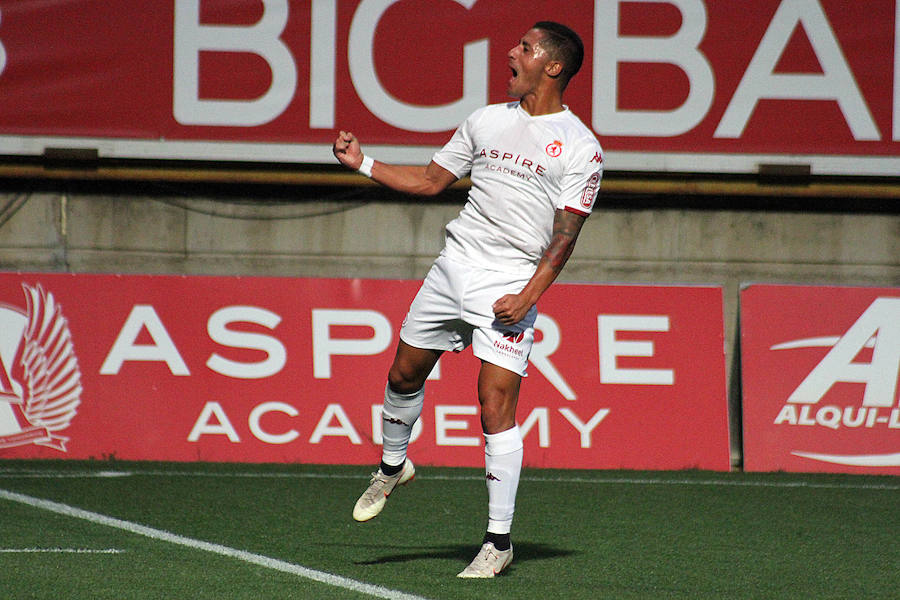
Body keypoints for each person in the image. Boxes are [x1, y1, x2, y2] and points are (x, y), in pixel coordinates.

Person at [332, 21, 602, 578]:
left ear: (553, 67)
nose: (512, 52)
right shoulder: (484, 120)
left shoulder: (580, 146)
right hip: (453, 267)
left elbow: (565, 235)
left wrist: (526, 296)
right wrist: (363, 162)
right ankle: (392, 466)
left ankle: (498, 543)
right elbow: (431, 181)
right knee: (403, 375)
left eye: (525, 48)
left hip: (508, 282)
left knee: (494, 404)